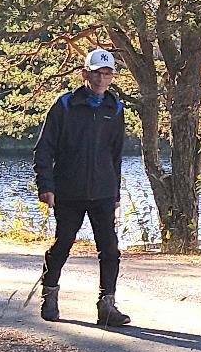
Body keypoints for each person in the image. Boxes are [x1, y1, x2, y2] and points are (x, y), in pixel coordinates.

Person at [32, 48, 132, 326]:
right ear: (85, 74)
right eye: (97, 74)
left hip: (102, 191)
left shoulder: (115, 108)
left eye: (107, 74)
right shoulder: (64, 105)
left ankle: (107, 305)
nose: (101, 79)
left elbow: (116, 154)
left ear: (112, 77)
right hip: (69, 190)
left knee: (109, 249)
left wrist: (115, 193)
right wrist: (45, 185)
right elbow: (44, 149)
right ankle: (50, 294)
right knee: (63, 243)